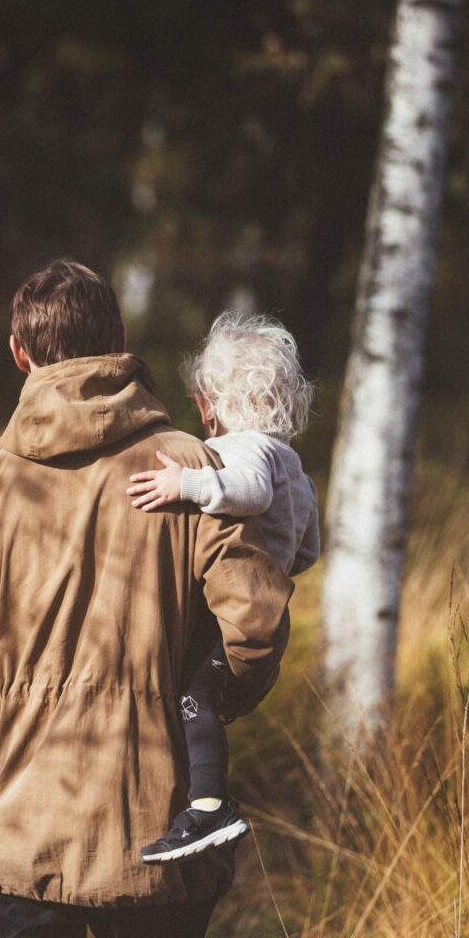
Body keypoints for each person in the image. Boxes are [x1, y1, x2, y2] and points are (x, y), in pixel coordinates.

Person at [0, 259, 294, 938]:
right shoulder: (192, 468)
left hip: (27, 825)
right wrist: (198, 706)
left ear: (18, 352)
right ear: (120, 340)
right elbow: (254, 628)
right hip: (160, 828)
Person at [124, 312, 320, 863]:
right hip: (261, 604)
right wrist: (276, 559)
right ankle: (205, 804)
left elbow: (250, 492)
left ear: (216, 400)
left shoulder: (248, 450)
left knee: (193, 693)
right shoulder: (295, 464)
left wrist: (184, 484)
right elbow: (309, 548)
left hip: (225, 611)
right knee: (201, 695)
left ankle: (209, 806)